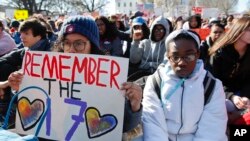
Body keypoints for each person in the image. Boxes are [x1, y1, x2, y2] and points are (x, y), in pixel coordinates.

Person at [8, 15, 143, 138]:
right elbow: (29, 113)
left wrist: (135, 105)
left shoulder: (107, 77)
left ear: (92, 46)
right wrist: (20, 88)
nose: (71, 49)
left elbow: (123, 125)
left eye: (79, 43)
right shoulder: (47, 70)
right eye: (66, 43)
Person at [142, 29, 228, 141]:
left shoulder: (211, 85)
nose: (182, 62)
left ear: (197, 54)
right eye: (175, 57)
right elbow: (153, 124)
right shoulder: (155, 82)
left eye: (189, 56)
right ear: (168, 56)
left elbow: (212, 129)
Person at [209, 16, 250, 117]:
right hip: (222, 95)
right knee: (227, 107)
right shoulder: (219, 53)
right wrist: (232, 96)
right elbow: (214, 81)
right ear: (239, 31)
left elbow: (249, 79)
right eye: (249, 30)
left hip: (244, 94)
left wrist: (246, 96)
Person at [129, 16, 170, 81]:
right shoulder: (145, 42)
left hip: (159, 76)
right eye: (156, 29)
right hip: (142, 74)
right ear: (152, 30)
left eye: (161, 29)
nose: (158, 32)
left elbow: (164, 65)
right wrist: (135, 41)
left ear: (166, 31)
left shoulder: (167, 45)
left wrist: (147, 64)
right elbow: (134, 60)